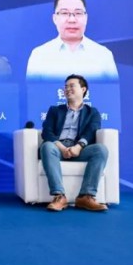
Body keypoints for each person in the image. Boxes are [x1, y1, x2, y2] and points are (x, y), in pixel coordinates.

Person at [40, 74, 110, 212]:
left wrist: (78, 146)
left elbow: (91, 131)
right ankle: (59, 196)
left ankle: (85, 196)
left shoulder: (92, 112)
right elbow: (47, 132)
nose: (67, 89)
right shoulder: (55, 110)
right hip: (57, 149)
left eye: (72, 86)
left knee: (101, 150)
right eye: (66, 86)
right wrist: (61, 148)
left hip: (80, 150)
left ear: (83, 89)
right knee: (47, 146)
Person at [26, 0, 119, 80]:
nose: (72, 20)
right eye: (64, 13)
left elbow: (113, 90)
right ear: (55, 18)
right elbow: (32, 91)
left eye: (78, 13)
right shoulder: (39, 55)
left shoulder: (103, 55)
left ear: (86, 18)